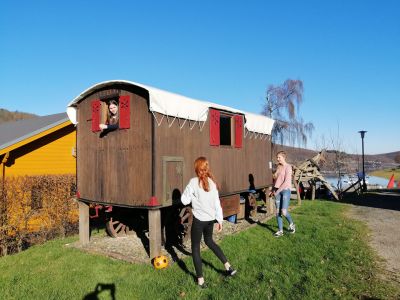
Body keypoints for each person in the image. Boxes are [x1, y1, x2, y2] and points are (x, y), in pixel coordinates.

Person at [181, 157, 237, 288]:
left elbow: (184, 200)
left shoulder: (193, 182)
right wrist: (220, 220)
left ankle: (201, 281)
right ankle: (228, 267)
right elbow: (217, 203)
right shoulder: (212, 182)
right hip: (210, 220)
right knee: (209, 241)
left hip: (199, 221)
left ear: (196, 169)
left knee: (195, 248)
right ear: (207, 168)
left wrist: (192, 196)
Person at [271, 151, 296, 237]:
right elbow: (276, 180)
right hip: (277, 191)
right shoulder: (279, 167)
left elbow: (286, 182)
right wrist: (273, 189)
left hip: (285, 190)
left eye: (279, 157)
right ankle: (280, 231)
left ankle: (292, 224)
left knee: (284, 211)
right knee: (278, 212)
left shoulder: (288, 167)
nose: (277, 159)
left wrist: (277, 191)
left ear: (284, 157)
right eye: (277, 157)